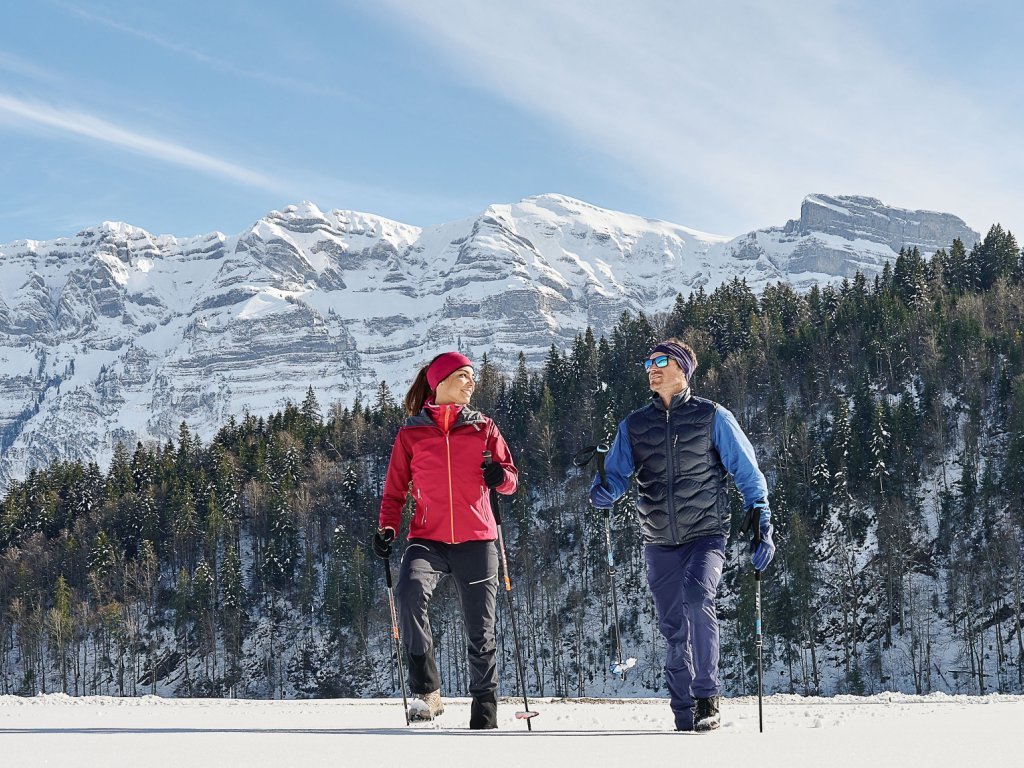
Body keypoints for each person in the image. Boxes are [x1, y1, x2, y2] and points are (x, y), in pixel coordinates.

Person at [588, 338, 775, 732]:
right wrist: (603, 488)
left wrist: (762, 520)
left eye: (660, 360)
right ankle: (684, 715)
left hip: (706, 534)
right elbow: (617, 475)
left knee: (697, 597)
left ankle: (708, 696)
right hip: (659, 541)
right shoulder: (635, 425)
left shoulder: (713, 417)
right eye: (647, 362)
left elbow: (747, 472)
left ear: (683, 369)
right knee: (674, 629)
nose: (651, 368)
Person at [371, 351, 518, 729]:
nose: (472, 383)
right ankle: (427, 694)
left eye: (473, 377)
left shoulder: (484, 427)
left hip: (478, 539)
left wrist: (498, 476)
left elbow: (512, 479)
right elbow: (394, 492)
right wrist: (387, 528)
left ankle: (484, 707)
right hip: (428, 538)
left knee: (480, 630)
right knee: (408, 590)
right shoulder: (411, 433)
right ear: (440, 383)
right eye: (464, 376)